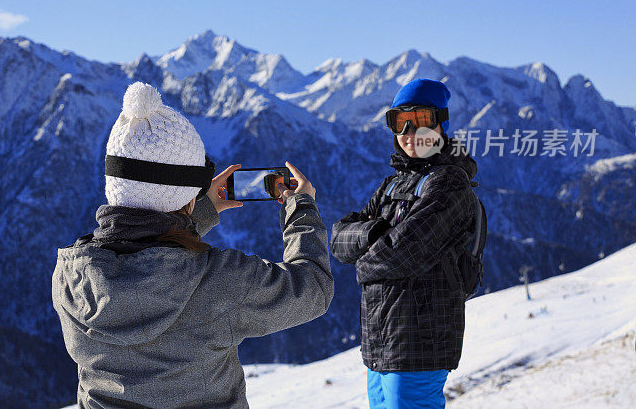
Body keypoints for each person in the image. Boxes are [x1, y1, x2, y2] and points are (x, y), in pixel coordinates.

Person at [52, 81, 333, 409]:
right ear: (185, 195)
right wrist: (301, 210)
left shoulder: (70, 277)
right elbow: (312, 289)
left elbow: (143, 246)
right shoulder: (218, 281)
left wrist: (196, 211)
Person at [330, 78, 478, 409]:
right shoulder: (393, 185)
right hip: (382, 343)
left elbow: (402, 253)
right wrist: (371, 235)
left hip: (421, 343)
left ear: (441, 124)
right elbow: (338, 238)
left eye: (422, 119)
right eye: (400, 121)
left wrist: (363, 262)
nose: (410, 132)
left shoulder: (449, 183)